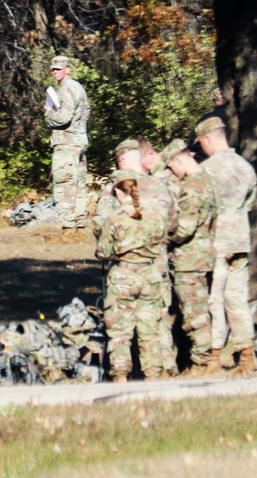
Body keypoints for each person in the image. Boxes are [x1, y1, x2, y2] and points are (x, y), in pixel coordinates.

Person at [92, 138, 178, 375]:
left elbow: (101, 227)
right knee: (156, 319)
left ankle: (123, 371)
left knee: (121, 322)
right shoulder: (161, 186)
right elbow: (173, 226)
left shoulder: (114, 189)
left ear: (121, 160)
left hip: (125, 267)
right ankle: (164, 368)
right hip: (156, 265)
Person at [197, 116, 257, 375]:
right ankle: (247, 357)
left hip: (218, 242)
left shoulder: (207, 170)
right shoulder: (246, 168)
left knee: (215, 301)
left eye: (201, 143)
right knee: (238, 299)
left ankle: (214, 359)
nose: (201, 148)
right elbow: (250, 204)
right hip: (241, 240)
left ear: (208, 138)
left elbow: (203, 208)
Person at [161, 139, 218, 374]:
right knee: (200, 309)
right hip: (203, 254)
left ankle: (202, 362)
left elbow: (184, 229)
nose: (172, 172)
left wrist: (161, 233)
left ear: (178, 159)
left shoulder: (192, 187)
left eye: (172, 167)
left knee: (195, 314)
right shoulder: (207, 178)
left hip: (190, 260)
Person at [43, 55, 91, 242]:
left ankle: (68, 230)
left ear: (68, 69)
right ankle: (79, 229)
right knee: (78, 185)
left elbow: (63, 117)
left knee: (64, 185)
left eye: (59, 68)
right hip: (78, 140)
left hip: (67, 142)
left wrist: (48, 114)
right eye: (53, 69)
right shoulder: (78, 88)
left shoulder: (67, 89)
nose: (56, 72)